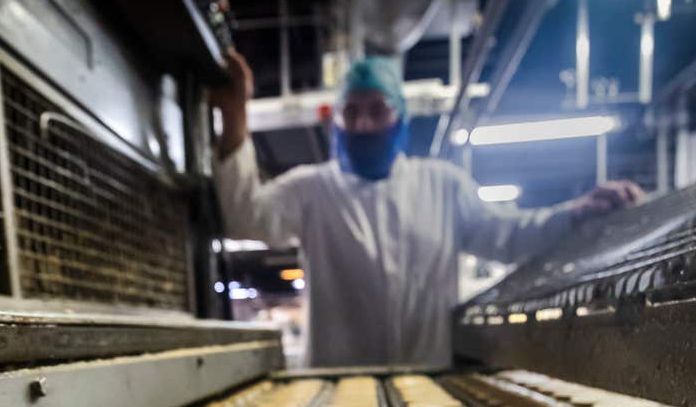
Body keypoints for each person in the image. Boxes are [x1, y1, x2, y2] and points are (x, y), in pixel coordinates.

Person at [211, 52, 643, 369]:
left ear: (398, 117)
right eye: (352, 112)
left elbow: (508, 237)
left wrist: (574, 214)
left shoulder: (442, 184)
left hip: (426, 382)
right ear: (337, 121)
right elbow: (246, 216)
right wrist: (235, 116)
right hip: (338, 389)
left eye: (376, 110)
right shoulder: (313, 189)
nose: (362, 124)